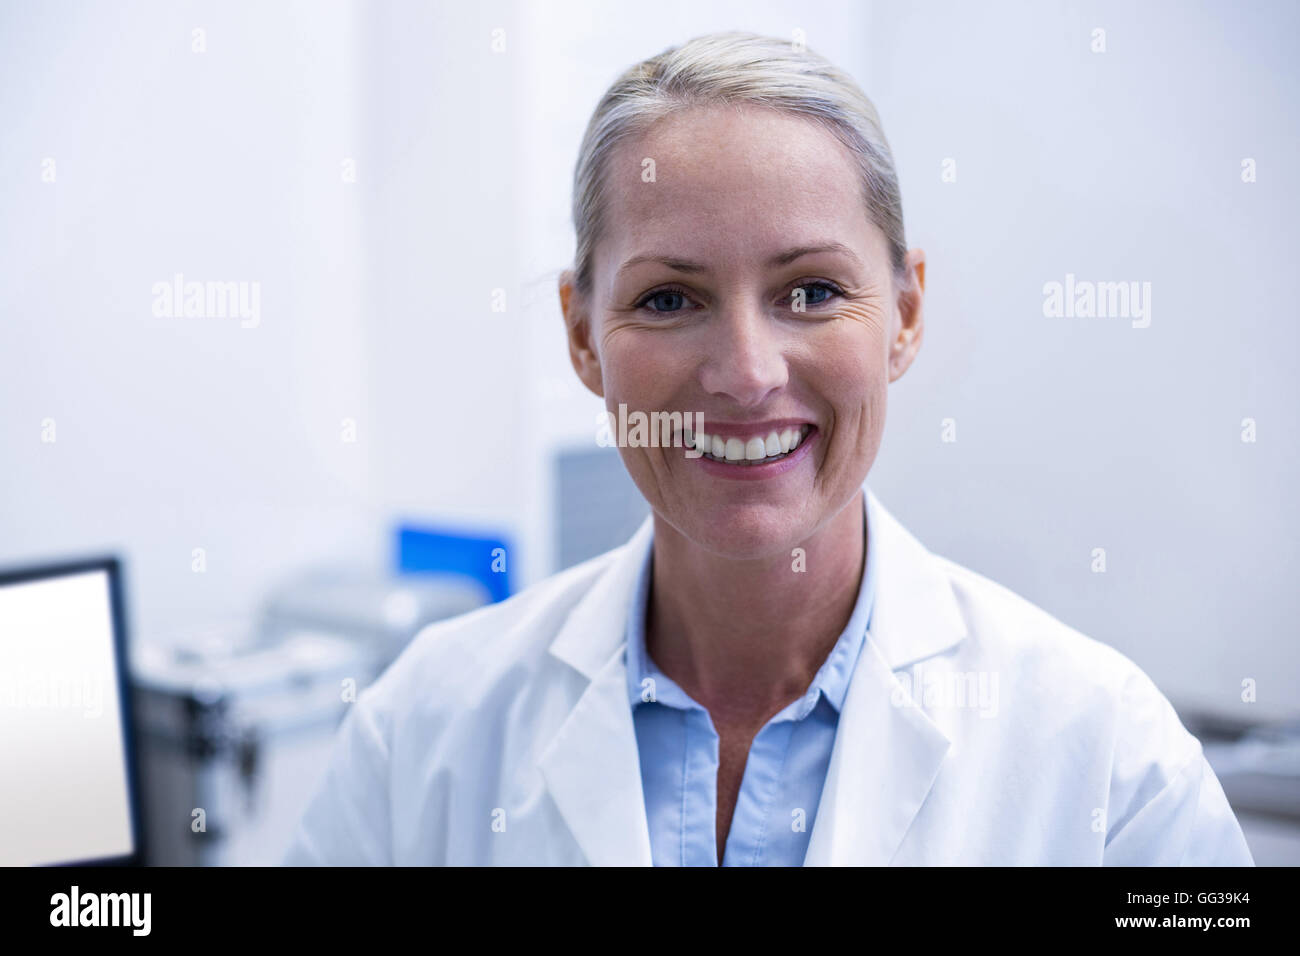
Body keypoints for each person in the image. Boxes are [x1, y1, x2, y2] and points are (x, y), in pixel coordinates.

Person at [284, 31, 1253, 866]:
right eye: (669, 299)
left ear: (905, 313)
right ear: (582, 336)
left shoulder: (1112, 763)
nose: (745, 374)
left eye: (811, 291)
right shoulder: (420, 731)